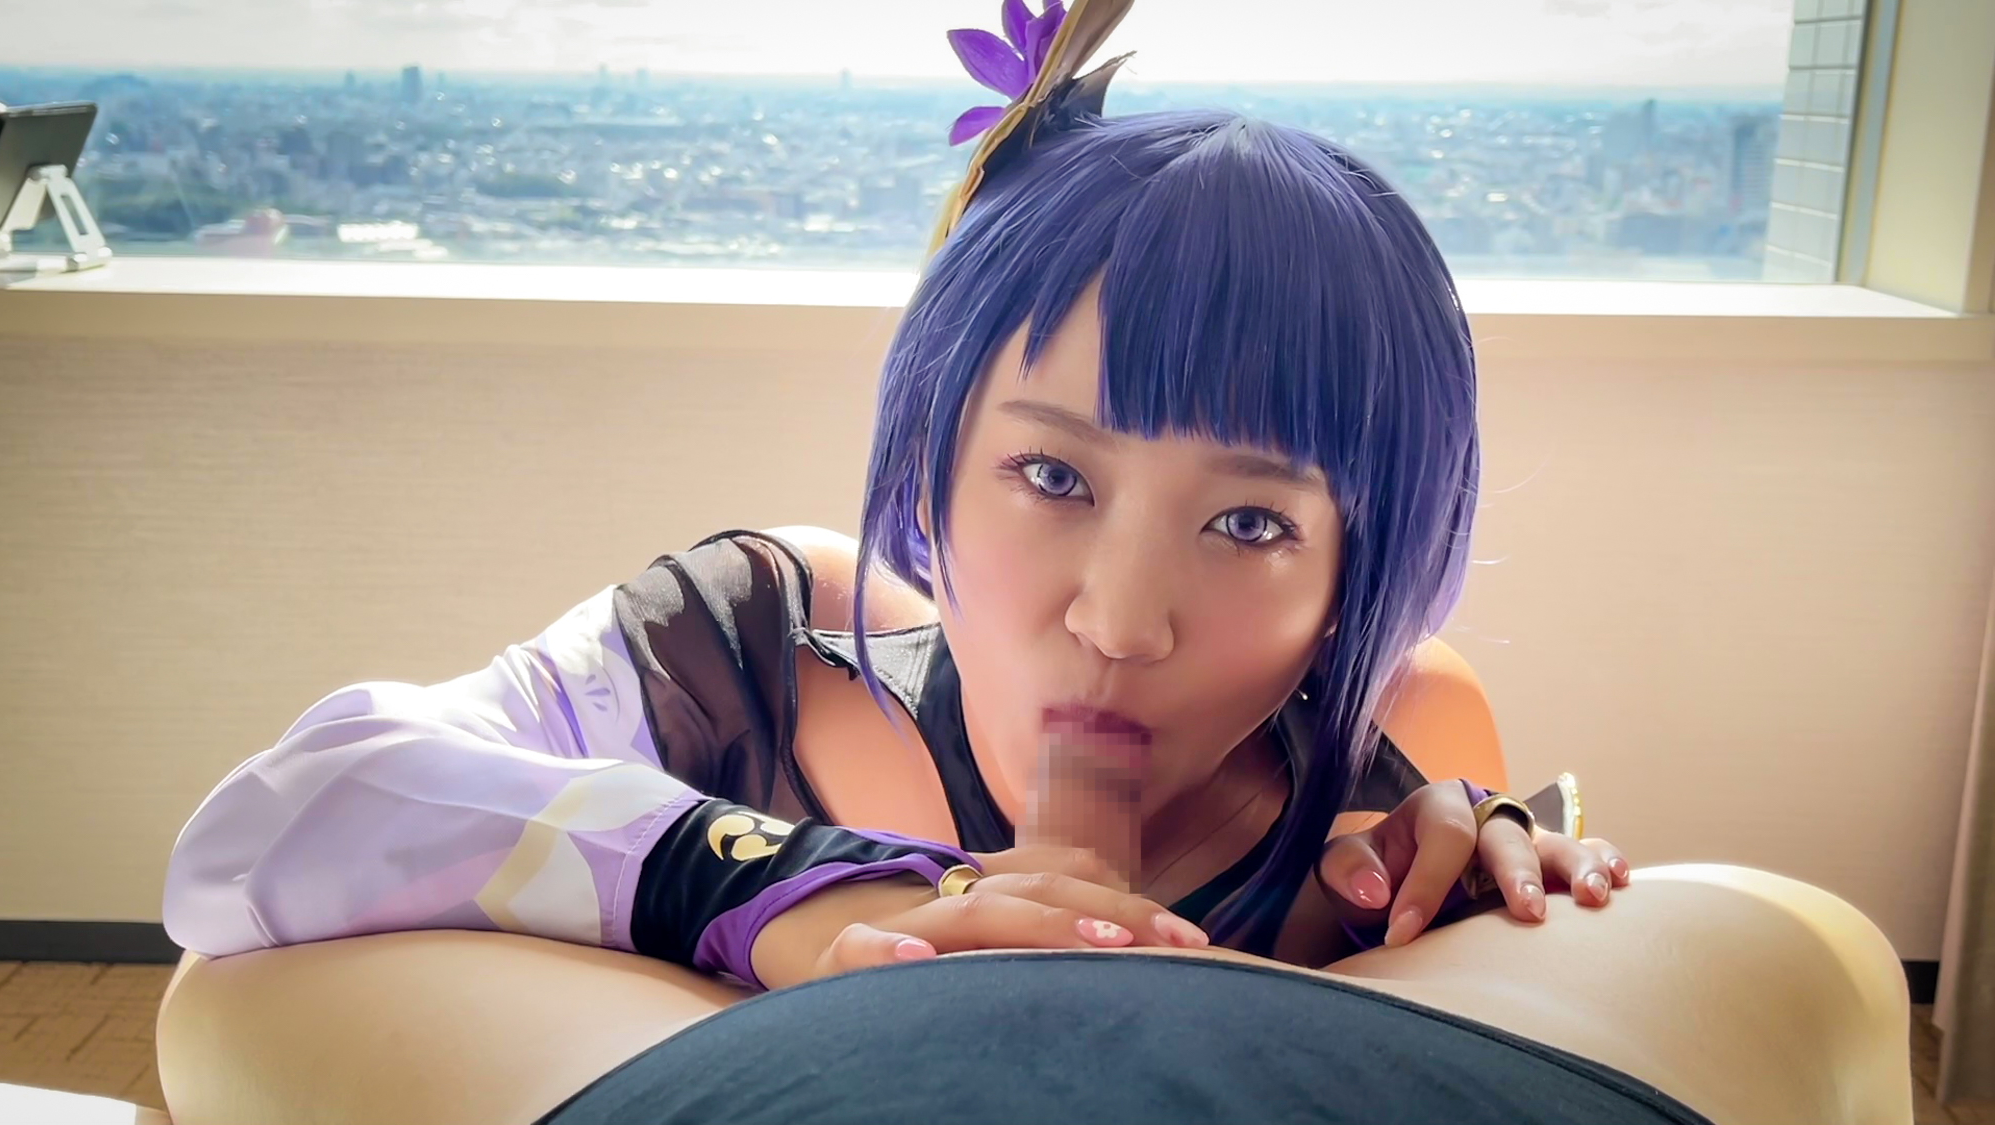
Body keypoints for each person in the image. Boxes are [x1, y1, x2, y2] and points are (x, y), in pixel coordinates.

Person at [155, 2, 1913, 1123]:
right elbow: (265, 832)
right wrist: (792, 897)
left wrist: (1487, 903)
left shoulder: (1382, 758)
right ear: (932, 457)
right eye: (1053, 474)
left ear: (1360, 573)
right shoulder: (746, 639)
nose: (1118, 618)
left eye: (1251, 523)